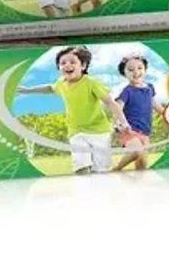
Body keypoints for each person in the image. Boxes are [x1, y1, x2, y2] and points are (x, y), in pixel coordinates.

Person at [18, 46, 130, 174]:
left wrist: (123, 121)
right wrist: (27, 90)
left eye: (72, 62)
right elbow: (50, 88)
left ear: (83, 66)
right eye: (63, 63)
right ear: (59, 68)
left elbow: (110, 102)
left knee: (101, 170)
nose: (67, 65)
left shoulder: (91, 83)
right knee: (81, 167)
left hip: (99, 131)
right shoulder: (61, 83)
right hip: (76, 131)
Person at [113, 55, 165, 171]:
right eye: (131, 70)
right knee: (137, 152)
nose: (136, 72)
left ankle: (137, 182)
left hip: (145, 131)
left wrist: (166, 114)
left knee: (142, 166)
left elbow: (154, 103)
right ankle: (117, 169)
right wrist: (119, 123)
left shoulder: (149, 88)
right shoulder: (127, 91)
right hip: (129, 130)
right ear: (124, 73)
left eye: (139, 68)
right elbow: (118, 107)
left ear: (145, 69)